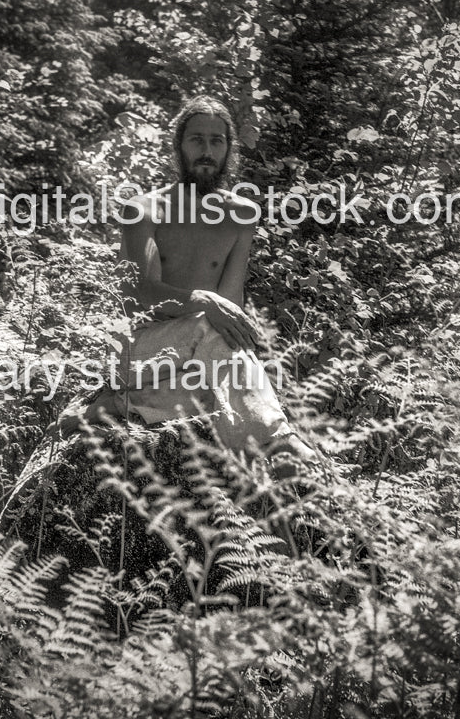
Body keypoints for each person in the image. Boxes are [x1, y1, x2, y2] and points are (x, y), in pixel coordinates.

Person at [59, 96, 317, 478]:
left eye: (217, 141)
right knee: (208, 327)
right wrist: (201, 300)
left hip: (198, 357)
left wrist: (222, 318)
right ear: (179, 146)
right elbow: (136, 297)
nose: (207, 151)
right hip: (139, 349)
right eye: (196, 140)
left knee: (221, 391)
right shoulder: (144, 209)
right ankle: (276, 444)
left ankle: (121, 406)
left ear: (229, 149)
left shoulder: (241, 216)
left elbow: (230, 309)